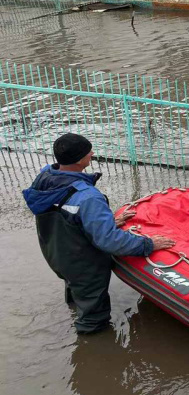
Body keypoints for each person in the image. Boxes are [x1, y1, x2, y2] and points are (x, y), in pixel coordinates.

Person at [22, 133, 175, 334]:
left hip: (56, 253)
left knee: (75, 287)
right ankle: (90, 348)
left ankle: (74, 308)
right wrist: (148, 244)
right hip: (84, 265)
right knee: (93, 314)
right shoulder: (88, 198)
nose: (92, 153)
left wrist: (106, 221)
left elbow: (67, 214)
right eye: (88, 151)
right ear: (79, 160)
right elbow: (110, 241)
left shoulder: (45, 178)